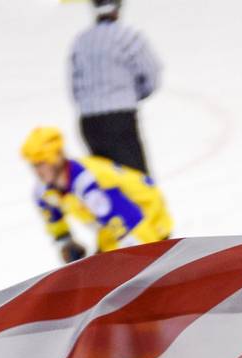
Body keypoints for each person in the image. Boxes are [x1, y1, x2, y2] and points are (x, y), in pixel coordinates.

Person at [21, 127, 171, 266]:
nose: (38, 171)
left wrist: (152, 262)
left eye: (42, 163)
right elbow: (53, 218)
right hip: (112, 228)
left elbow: (130, 224)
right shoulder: (45, 191)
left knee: (138, 267)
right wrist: (66, 241)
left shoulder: (90, 184)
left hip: (149, 218)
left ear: (58, 156)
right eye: (34, 165)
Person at [69, 0, 161, 175]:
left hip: (89, 123)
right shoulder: (127, 37)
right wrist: (132, 95)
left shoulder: (81, 41)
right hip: (120, 118)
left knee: (107, 180)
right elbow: (152, 75)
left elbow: (75, 87)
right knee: (136, 179)